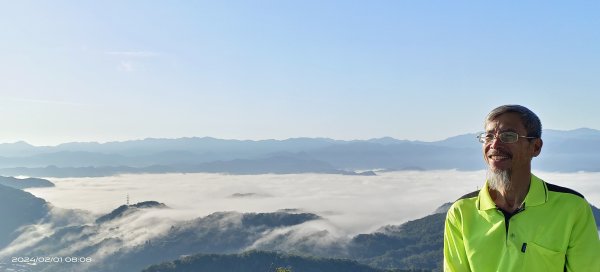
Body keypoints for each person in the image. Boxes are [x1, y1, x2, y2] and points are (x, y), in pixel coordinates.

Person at [443, 105, 600, 271]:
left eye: (508, 136)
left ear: (536, 147)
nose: (495, 144)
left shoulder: (572, 208)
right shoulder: (461, 212)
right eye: (488, 136)